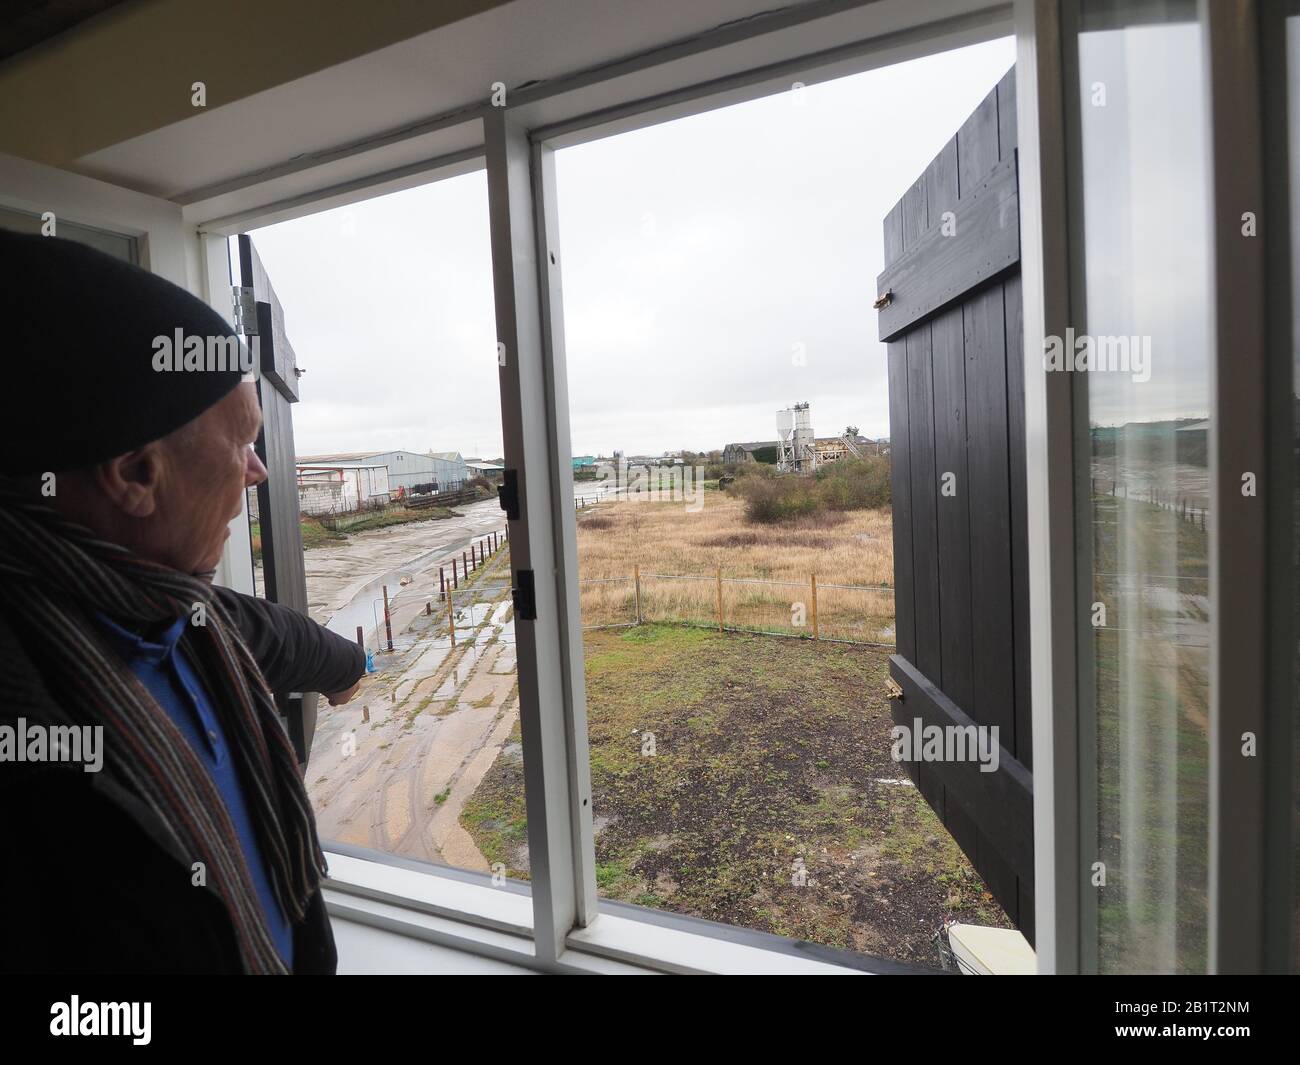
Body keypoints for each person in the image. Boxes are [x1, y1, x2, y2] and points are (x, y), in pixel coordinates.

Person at [0, 229, 364, 974]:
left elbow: (273, 633)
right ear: (135, 473)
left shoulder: (171, 608)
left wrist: (347, 664)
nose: (257, 471)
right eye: (243, 442)